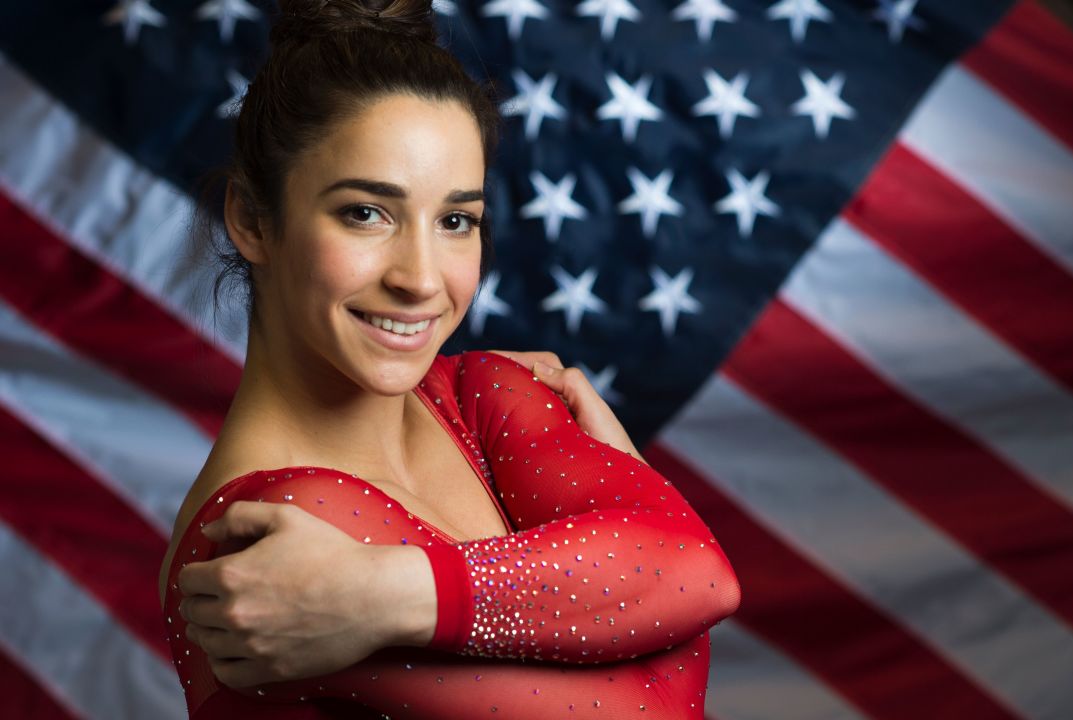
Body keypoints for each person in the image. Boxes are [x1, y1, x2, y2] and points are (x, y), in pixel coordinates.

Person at [157, 1, 742, 717]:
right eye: (365, 213)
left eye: (455, 220)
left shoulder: (480, 394)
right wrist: (637, 526)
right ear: (252, 219)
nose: (422, 279)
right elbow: (652, 696)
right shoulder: (267, 528)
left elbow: (701, 576)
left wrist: (386, 594)